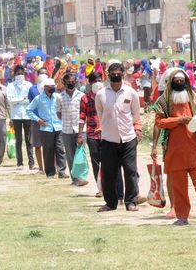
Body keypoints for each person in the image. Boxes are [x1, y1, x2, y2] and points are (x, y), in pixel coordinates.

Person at [154, 69, 196, 225]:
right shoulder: (163, 101)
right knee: (179, 186)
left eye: (182, 80)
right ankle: (182, 217)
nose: (180, 83)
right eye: (176, 80)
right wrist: (178, 120)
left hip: (194, 149)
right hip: (175, 150)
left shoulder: (193, 97)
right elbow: (159, 122)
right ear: (171, 82)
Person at [95, 62, 142, 212]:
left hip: (128, 138)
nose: (115, 76)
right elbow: (100, 115)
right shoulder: (101, 94)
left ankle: (131, 202)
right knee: (109, 173)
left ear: (123, 75)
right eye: (112, 74)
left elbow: (136, 114)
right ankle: (110, 203)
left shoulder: (131, 93)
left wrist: (138, 129)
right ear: (108, 75)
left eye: (118, 74)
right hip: (109, 139)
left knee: (130, 170)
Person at [26, 78, 66, 178]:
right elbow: (28, 110)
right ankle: (50, 173)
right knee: (48, 150)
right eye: (50, 87)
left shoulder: (57, 96)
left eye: (53, 86)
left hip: (58, 126)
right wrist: (37, 120)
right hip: (46, 128)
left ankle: (61, 171)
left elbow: (63, 107)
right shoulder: (38, 98)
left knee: (60, 149)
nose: (52, 88)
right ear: (45, 87)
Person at [57, 73, 85, 185]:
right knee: (70, 155)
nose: (71, 83)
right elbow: (58, 113)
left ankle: (82, 177)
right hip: (66, 129)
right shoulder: (60, 97)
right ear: (64, 83)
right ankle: (75, 179)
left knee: (80, 154)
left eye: (73, 81)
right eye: (69, 82)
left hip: (80, 129)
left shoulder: (81, 95)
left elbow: (84, 112)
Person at [7, 65, 35, 170]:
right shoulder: (10, 86)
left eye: (21, 73)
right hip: (16, 115)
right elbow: (10, 101)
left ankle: (31, 162)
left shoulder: (28, 85)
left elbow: (31, 100)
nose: (20, 75)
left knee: (29, 140)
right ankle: (20, 162)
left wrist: (18, 100)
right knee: (18, 140)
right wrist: (22, 98)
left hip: (27, 115)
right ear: (14, 74)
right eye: (18, 74)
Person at [27, 68, 49, 174]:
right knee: (37, 145)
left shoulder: (51, 88)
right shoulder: (32, 89)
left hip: (49, 120)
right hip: (36, 121)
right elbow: (31, 105)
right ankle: (40, 168)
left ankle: (51, 166)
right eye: (41, 74)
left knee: (50, 145)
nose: (43, 75)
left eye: (45, 74)